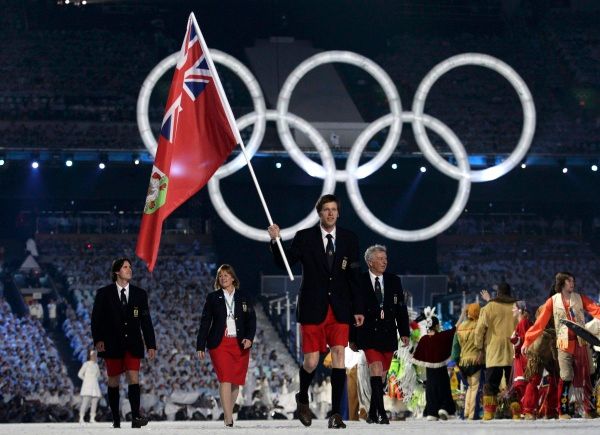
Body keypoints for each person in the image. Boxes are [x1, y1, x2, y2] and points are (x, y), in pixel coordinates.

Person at [268, 194, 364, 429]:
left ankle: (336, 414)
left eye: (334, 210)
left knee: (339, 356)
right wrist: (275, 241)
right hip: (313, 307)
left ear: (338, 213)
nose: (330, 213)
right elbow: (286, 263)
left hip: (340, 309)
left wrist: (358, 308)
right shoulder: (305, 237)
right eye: (326, 210)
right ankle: (302, 397)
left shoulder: (349, 239)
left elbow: (354, 277)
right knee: (311, 362)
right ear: (319, 213)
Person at [523, 272, 600, 419]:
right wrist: (528, 340)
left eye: (573, 281)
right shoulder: (552, 301)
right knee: (565, 377)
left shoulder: (580, 298)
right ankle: (563, 410)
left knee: (588, 374)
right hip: (563, 344)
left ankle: (589, 410)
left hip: (581, 342)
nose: (573, 283)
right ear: (562, 283)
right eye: (570, 281)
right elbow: (540, 324)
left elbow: (596, 310)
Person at [91, 258, 156, 429]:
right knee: (113, 380)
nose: (129, 270)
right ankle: (116, 419)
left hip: (133, 343)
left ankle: (136, 417)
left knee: (133, 378)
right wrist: (98, 340)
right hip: (111, 344)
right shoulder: (103, 293)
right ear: (117, 272)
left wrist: (151, 344)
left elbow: (145, 321)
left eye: (130, 267)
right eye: (125, 267)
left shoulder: (140, 294)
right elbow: (96, 319)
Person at [354, 244, 410, 424]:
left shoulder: (394, 280)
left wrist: (404, 331)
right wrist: (352, 337)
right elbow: (352, 310)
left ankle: (371, 413)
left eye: (385, 259)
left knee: (382, 376)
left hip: (388, 334)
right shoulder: (359, 281)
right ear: (370, 262)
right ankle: (382, 414)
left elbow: (401, 309)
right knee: (376, 369)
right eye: (380, 259)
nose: (384, 262)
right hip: (368, 334)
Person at [196, 264, 256, 427]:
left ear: (233, 278)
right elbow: (205, 321)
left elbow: (251, 320)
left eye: (226, 275)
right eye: (220, 275)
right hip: (219, 343)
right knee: (225, 378)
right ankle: (228, 418)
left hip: (240, 343)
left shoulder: (244, 296)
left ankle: (228, 413)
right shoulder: (213, 297)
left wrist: (250, 338)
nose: (223, 278)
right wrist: (200, 345)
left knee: (236, 380)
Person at [474, 282, 517, 420]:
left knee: (491, 384)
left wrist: (479, 347)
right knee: (514, 384)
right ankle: (516, 413)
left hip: (494, 350)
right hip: (514, 350)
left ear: (497, 293)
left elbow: (479, 330)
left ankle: (488, 412)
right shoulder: (517, 307)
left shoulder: (489, 307)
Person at [412, 307, 459, 421]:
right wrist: (462, 315)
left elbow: (416, 355)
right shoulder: (442, 337)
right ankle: (444, 408)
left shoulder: (424, 340)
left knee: (431, 389)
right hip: (441, 370)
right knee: (444, 388)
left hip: (430, 372)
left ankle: (432, 412)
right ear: (437, 326)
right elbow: (454, 330)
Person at [451, 302, 483, 420]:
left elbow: (455, 347)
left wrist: (457, 363)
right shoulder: (479, 326)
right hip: (475, 360)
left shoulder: (460, 327)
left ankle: (465, 412)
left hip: (463, 362)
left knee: (469, 387)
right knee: (475, 387)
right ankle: (472, 414)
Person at [509, 300, 533, 419]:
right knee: (521, 385)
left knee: (521, 384)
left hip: (522, 358)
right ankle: (524, 410)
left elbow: (524, 340)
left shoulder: (523, 322)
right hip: (520, 357)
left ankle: (525, 410)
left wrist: (514, 341)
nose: (512, 310)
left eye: (514, 308)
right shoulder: (522, 322)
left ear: (520, 310)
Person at [78, 349, 102, 424]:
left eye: (95, 355)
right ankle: (81, 418)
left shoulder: (96, 365)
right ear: (90, 356)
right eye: (93, 355)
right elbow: (80, 374)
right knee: (85, 402)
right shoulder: (86, 364)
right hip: (87, 385)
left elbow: (98, 375)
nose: (95, 357)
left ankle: (92, 418)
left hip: (94, 385)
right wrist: (86, 380)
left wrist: (94, 379)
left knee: (95, 402)